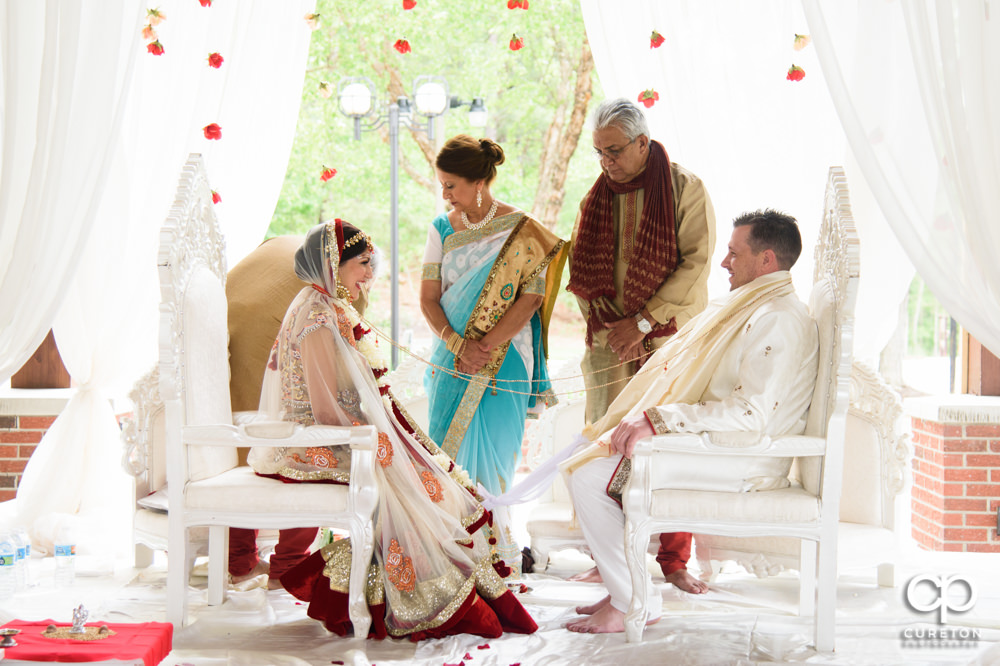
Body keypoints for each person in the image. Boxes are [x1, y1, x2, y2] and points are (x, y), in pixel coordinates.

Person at [249, 220, 537, 640]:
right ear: (334, 263)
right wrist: (374, 438)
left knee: (428, 476)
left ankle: (440, 582)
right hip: (319, 440)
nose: (370, 273)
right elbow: (325, 406)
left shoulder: (332, 305)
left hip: (347, 430)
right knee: (408, 485)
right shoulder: (315, 314)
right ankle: (425, 594)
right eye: (362, 263)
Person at [564, 210, 819, 634]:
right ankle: (625, 590)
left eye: (735, 254)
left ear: (767, 260)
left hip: (746, 460)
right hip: (728, 446)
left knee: (589, 476)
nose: (724, 263)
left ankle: (633, 602)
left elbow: (749, 415)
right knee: (588, 457)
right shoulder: (760, 307)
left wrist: (660, 418)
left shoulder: (778, 318)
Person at [566, 98, 716, 592]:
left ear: (642, 143)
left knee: (666, 442)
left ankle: (673, 561)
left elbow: (695, 265)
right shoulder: (597, 197)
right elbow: (582, 271)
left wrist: (645, 323)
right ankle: (609, 558)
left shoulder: (683, 188)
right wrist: (614, 328)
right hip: (611, 342)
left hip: (671, 342)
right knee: (606, 445)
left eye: (613, 151)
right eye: (599, 153)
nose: (606, 162)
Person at [421, 136, 566, 497]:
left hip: (506, 360)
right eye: (442, 186)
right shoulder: (442, 229)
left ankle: (494, 546)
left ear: (479, 182)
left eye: (451, 186)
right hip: (452, 359)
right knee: (443, 463)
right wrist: (459, 346)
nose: (446, 195)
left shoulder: (523, 230)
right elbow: (427, 300)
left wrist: (482, 348)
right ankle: (448, 547)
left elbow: (532, 299)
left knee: (498, 463)